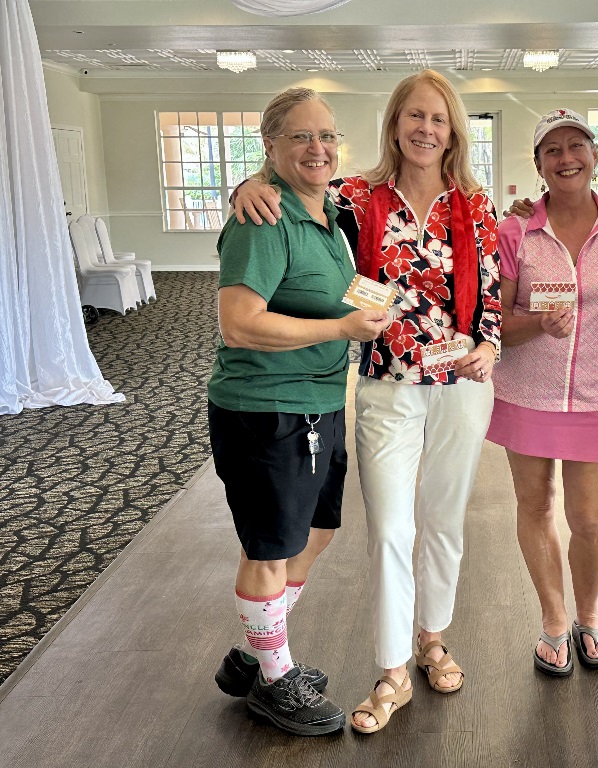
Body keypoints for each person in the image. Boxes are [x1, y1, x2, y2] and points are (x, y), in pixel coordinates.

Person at [233, 70, 500, 733]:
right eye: (414, 116)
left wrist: (490, 345)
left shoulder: (476, 204)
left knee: (443, 520)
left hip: (462, 386)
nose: (425, 129)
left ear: (453, 132)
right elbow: (293, 193)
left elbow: (491, 294)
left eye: (437, 119)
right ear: (394, 124)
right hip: (386, 384)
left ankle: (432, 638)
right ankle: (391, 671)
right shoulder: (355, 197)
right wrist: (247, 184)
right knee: (389, 529)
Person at [207, 87, 389, 736]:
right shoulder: (263, 218)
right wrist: (341, 329)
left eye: (327, 135)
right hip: (265, 408)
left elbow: (344, 289)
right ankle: (274, 679)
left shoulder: (333, 211)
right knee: (270, 548)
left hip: (319, 402)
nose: (319, 148)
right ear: (271, 145)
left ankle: (260, 652)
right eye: (301, 136)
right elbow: (239, 323)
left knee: (316, 531)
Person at [487, 109, 598, 676]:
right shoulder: (515, 232)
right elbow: (494, 323)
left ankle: (589, 616)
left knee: (589, 518)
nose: (566, 157)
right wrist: (536, 323)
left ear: (595, 155)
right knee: (535, 506)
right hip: (525, 391)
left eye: (577, 145)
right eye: (552, 149)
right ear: (538, 164)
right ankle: (553, 619)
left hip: (597, 392)